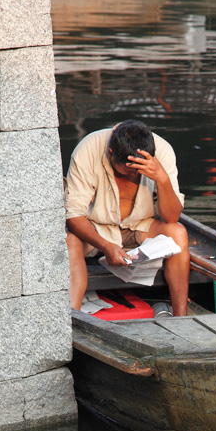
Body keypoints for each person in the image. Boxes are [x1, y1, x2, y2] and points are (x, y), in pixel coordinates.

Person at [65, 120, 191, 316]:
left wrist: (162, 179)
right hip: (98, 227)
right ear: (111, 154)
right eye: (127, 170)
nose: (133, 175)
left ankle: (181, 317)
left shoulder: (163, 151)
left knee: (179, 233)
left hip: (140, 225)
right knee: (70, 241)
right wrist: (107, 246)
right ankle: (73, 318)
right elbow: (72, 216)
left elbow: (172, 217)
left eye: (138, 171)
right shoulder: (89, 148)